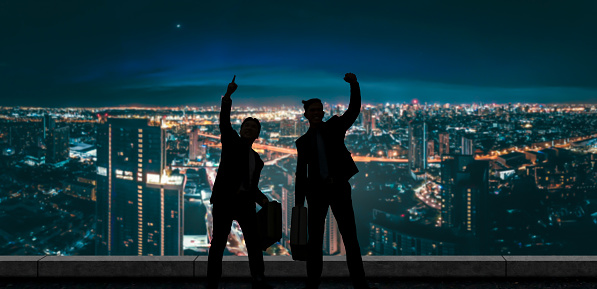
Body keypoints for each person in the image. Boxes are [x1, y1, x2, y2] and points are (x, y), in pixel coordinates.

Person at [294, 73, 375, 289]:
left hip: (339, 189)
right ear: (306, 115)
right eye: (313, 111)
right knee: (314, 242)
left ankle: (360, 283)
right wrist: (299, 203)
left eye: (320, 110)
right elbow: (301, 173)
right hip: (316, 193)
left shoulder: (335, 127)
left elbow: (354, 110)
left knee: (350, 238)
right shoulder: (302, 142)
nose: (317, 113)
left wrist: (354, 85)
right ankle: (312, 284)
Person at [207, 75, 272, 289]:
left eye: (253, 128)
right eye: (246, 126)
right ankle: (212, 282)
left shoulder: (258, 160)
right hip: (225, 202)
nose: (248, 129)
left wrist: (265, 201)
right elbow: (224, 122)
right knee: (217, 244)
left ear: (257, 135)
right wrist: (228, 96)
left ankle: (259, 279)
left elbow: (251, 188)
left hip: (245, 204)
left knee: (254, 244)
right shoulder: (231, 142)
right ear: (241, 129)